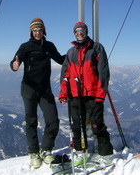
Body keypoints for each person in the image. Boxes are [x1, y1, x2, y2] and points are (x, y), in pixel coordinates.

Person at [10, 18, 65, 169]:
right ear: (31, 32)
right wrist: (14, 65)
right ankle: (34, 153)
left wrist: (75, 55)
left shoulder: (49, 46)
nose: (37, 33)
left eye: (40, 30)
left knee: (53, 120)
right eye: (34, 30)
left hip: (45, 90)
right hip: (29, 89)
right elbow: (14, 62)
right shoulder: (25, 47)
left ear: (44, 31)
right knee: (31, 121)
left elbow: (60, 59)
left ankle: (46, 150)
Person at [58, 21, 113, 166]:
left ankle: (105, 154)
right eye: (76, 31)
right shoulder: (71, 52)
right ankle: (81, 152)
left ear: (86, 31)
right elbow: (65, 74)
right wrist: (64, 93)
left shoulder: (96, 48)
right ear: (74, 34)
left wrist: (101, 93)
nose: (79, 33)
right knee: (77, 126)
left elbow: (103, 72)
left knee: (97, 125)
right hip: (75, 95)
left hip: (93, 94)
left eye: (82, 30)